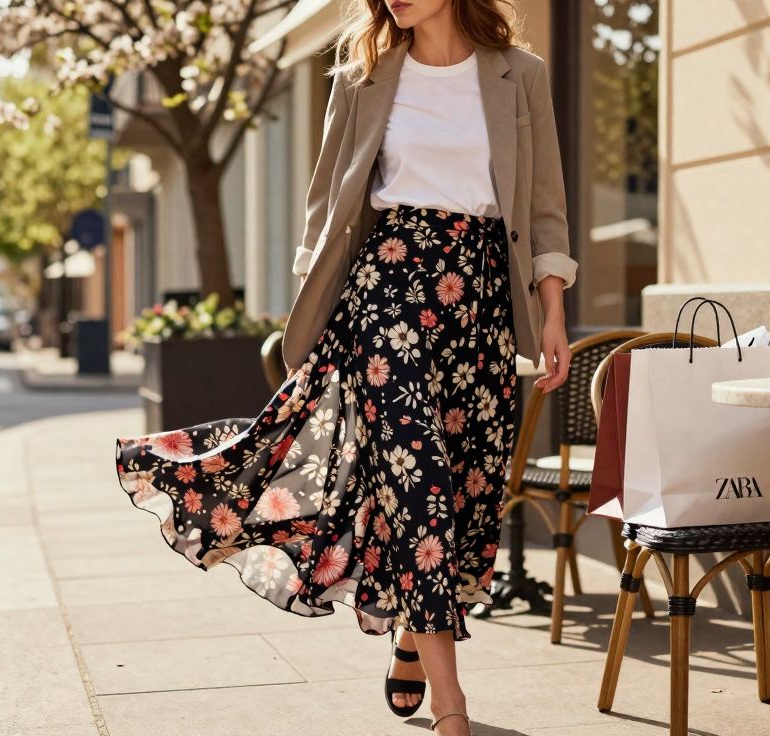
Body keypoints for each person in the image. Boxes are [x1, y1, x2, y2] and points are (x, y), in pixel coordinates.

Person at [114, 2, 575, 733]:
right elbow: (327, 203)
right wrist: (314, 304)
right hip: (387, 289)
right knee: (417, 484)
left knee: (465, 488)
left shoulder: (521, 74)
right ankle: (453, 706)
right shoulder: (362, 75)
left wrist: (552, 314)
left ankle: (411, 634)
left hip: (482, 299)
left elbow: (546, 205)